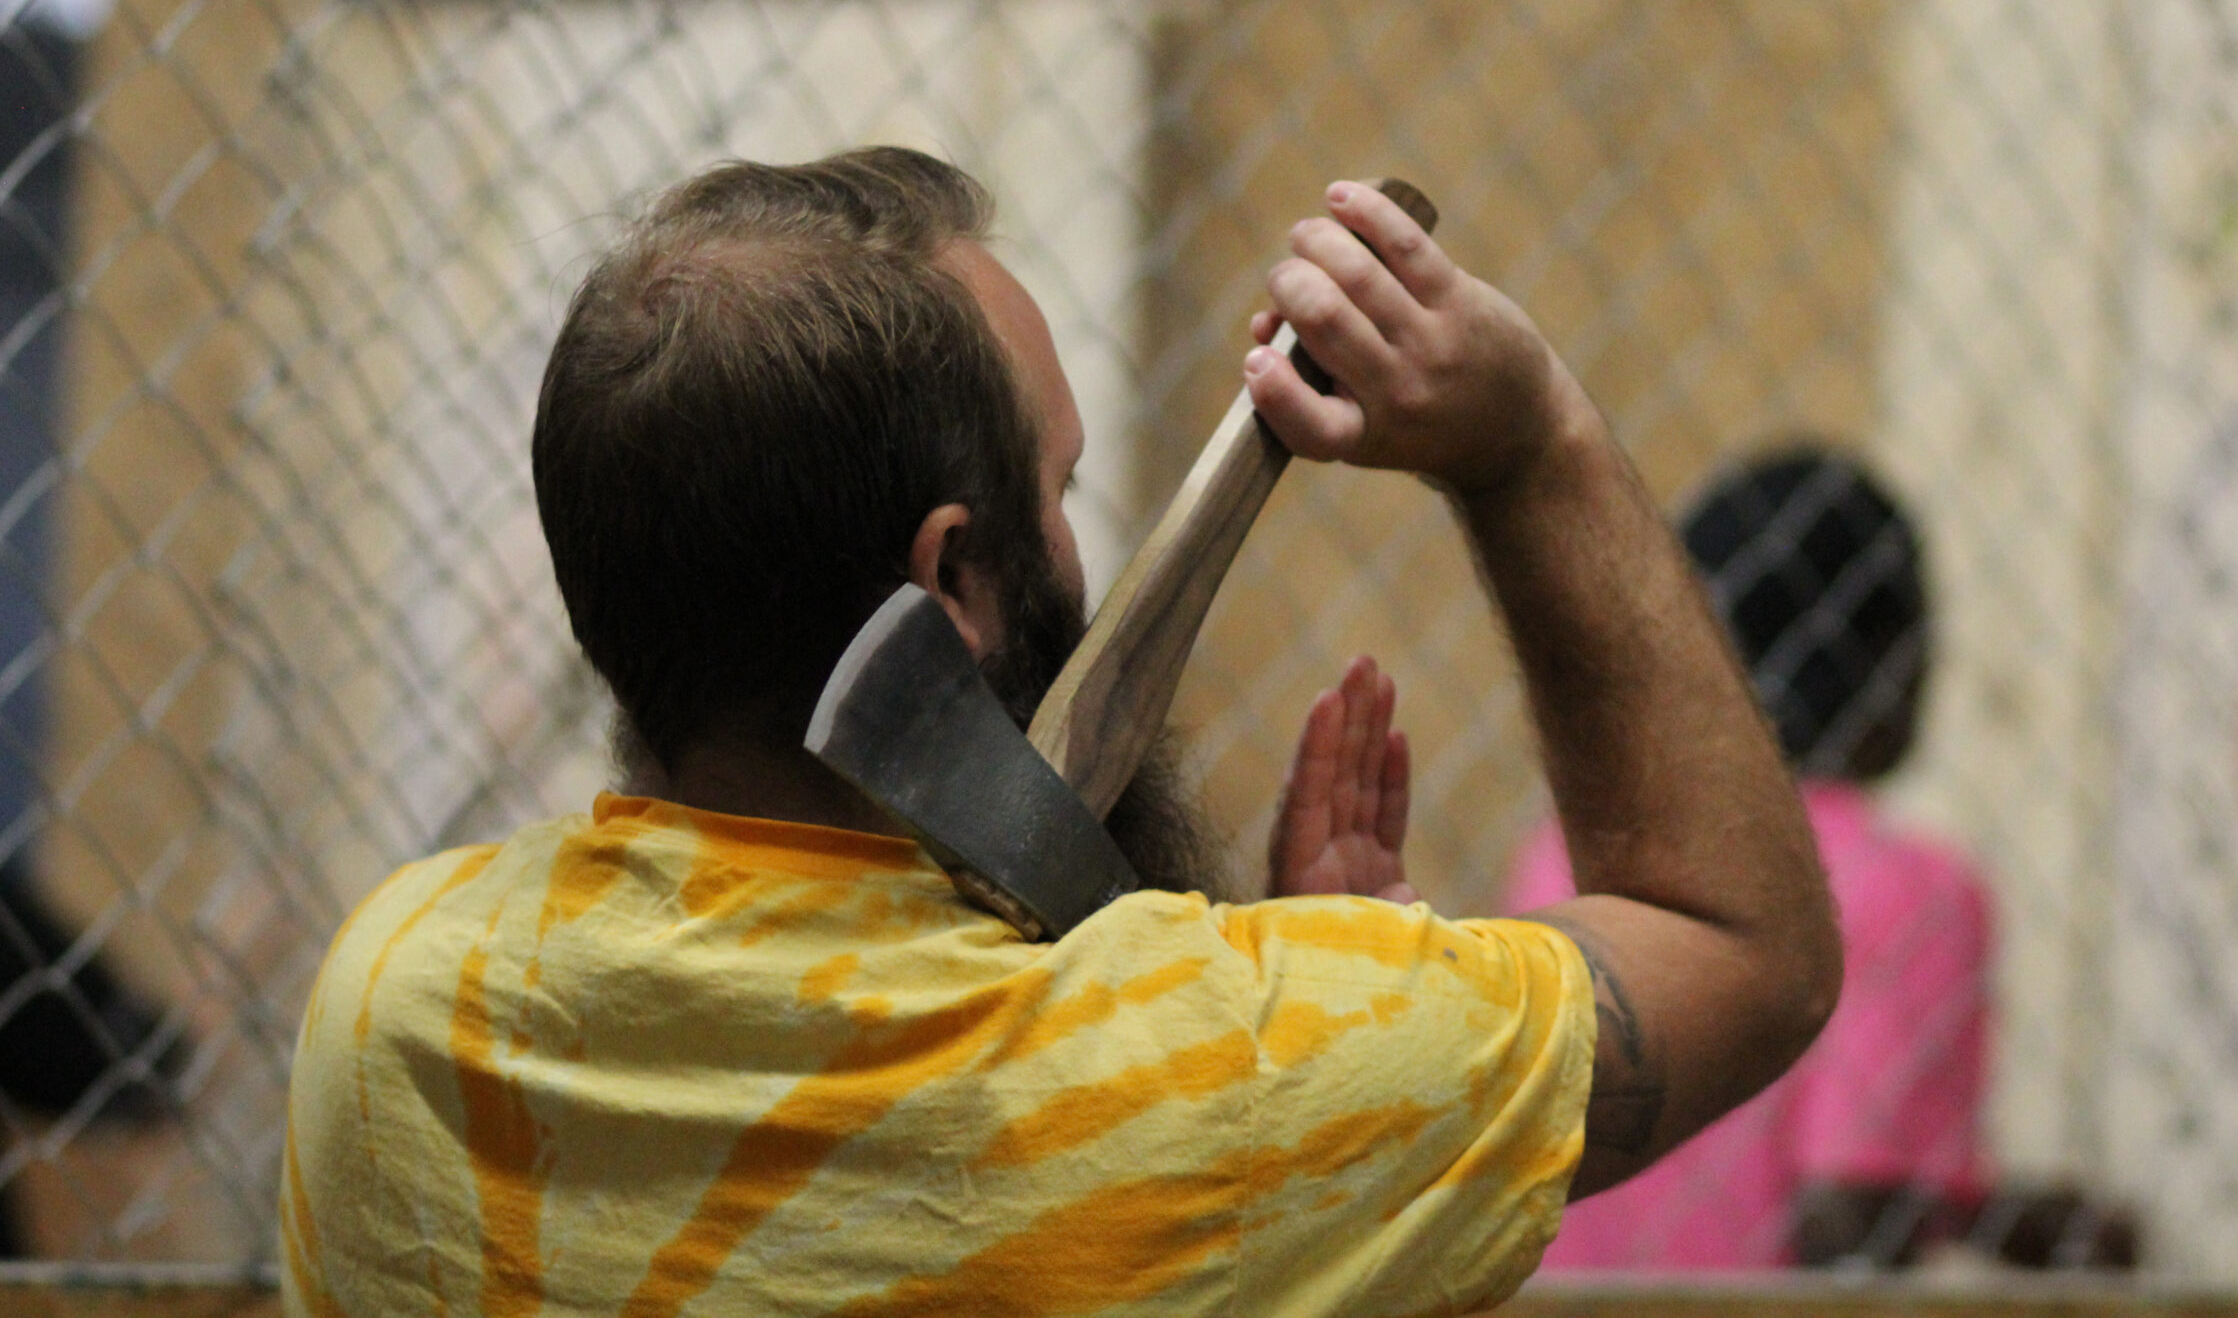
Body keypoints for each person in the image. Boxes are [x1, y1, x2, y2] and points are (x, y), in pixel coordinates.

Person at [280, 150, 1842, 1316]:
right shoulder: (1215, 1078)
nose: (1076, 540)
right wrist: (1530, 447)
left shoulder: (400, 1008)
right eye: (1061, 486)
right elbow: (1742, 941)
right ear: (957, 576)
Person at [1511, 448, 2132, 1273]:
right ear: (1892, 653)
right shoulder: (1904, 886)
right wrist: (2005, 1222)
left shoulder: (1566, 851)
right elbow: (1848, 1223)